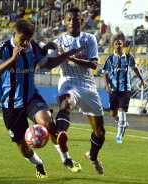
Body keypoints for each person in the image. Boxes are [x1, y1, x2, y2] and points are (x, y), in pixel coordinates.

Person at [0, 19, 85, 178]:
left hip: (31, 98)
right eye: (22, 39)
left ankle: (67, 160)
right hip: (11, 104)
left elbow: (49, 63)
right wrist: (12, 60)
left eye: (28, 39)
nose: (25, 43)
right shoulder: (4, 49)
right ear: (14, 34)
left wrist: (69, 53)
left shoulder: (33, 47)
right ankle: (38, 163)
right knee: (23, 146)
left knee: (47, 123)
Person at [47, 7, 106, 175]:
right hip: (69, 82)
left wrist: (70, 57)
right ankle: (62, 133)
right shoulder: (58, 42)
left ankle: (92, 157)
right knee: (66, 102)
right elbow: (48, 62)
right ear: (65, 22)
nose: (73, 22)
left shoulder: (89, 39)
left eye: (76, 19)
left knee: (100, 132)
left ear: (81, 21)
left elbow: (94, 64)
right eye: (69, 19)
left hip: (88, 86)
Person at [102, 37, 147, 143]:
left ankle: (119, 136)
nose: (118, 45)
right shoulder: (110, 60)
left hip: (125, 89)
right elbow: (104, 73)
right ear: (113, 46)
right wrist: (107, 86)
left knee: (122, 111)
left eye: (120, 44)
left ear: (123, 45)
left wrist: (142, 80)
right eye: (116, 44)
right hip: (113, 90)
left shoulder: (128, 58)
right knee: (113, 114)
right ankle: (122, 123)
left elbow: (135, 68)